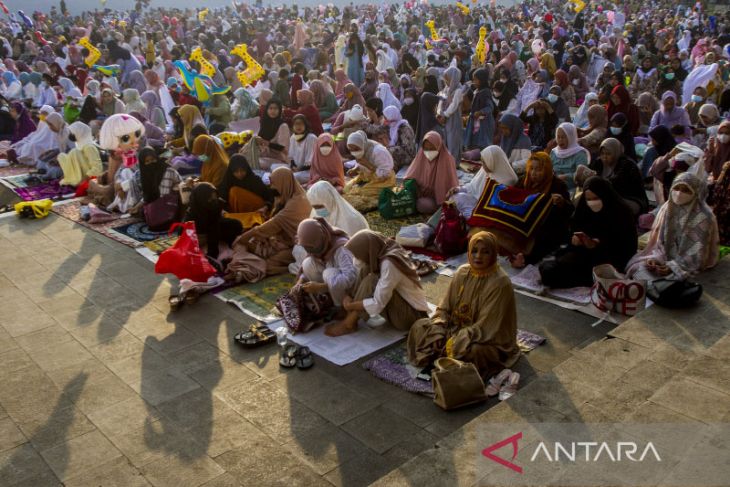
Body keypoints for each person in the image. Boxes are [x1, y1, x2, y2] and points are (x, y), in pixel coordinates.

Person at [407, 231, 520, 377]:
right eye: (474, 251)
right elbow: (444, 307)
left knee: (475, 351)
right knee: (420, 326)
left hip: (483, 338)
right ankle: (447, 358)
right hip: (455, 329)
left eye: (485, 252)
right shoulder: (462, 272)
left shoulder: (500, 282)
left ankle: (446, 358)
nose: (478, 256)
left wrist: (458, 340)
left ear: (493, 254)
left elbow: (487, 327)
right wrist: (439, 326)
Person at [325, 229, 429, 337]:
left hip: (412, 316)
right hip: (398, 308)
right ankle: (350, 317)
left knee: (372, 280)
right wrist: (348, 296)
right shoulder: (381, 248)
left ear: (367, 250)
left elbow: (377, 304)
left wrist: (352, 306)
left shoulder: (389, 264)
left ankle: (349, 323)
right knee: (366, 269)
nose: (356, 259)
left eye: (357, 255)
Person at [539, 176, 638, 288]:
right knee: (547, 269)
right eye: (589, 199)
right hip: (584, 253)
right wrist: (576, 239)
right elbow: (575, 227)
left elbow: (625, 248)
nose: (592, 203)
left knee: (561, 273)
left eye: (596, 198)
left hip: (610, 260)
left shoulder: (622, 213)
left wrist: (596, 244)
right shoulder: (584, 207)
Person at [627, 172, 719, 282]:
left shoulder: (704, 216)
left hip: (688, 264)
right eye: (677, 188)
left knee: (671, 282)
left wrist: (673, 267)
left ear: (696, 192)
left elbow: (697, 254)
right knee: (635, 269)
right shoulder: (668, 208)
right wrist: (656, 259)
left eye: (686, 190)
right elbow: (660, 243)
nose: (679, 193)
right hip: (665, 258)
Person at [225, 167, 313, 281]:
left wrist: (245, 236)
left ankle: (246, 271)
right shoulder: (284, 195)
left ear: (283, 183)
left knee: (268, 264)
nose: (272, 187)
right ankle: (243, 265)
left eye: (274, 184)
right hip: (279, 240)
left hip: (295, 246)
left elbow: (273, 224)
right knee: (245, 245)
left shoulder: (297, 203)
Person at [510, 152, 573, 268]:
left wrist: (562, 203)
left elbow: (570, 211)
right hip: (525, 222)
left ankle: (526, 258)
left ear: (547, 170)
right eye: (531, 168)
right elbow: (512, 196)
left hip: (548, 227)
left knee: (543, 236)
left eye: (538, 170)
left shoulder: (558, 185)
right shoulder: (524, 181)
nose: (533, 173)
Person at [294, 218, 359, 308]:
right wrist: (300, 282)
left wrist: (322, 287)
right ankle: (326, 299)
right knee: (307, 263)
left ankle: (340, 307)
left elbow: (351, 278)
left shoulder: (341, 249)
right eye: (306, 247)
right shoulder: (318, 245)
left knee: (329, 273)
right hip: (330, 285)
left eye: (311, 246)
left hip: (350, 290)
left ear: (321, 238)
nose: (310, 250)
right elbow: (307, 268)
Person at [578, 138, 648, 217]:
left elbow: (617, 184)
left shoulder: (627, 165)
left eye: (608, 154)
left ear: (615, 152)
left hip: (628, 198)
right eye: (602, 153)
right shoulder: (599, 162)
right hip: (604, 196)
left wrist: (596, 179)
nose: (604, 157)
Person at [451, 145, 518, 218]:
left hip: (488, 210)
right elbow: (472, 186)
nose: (482, 165)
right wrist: (458, 189)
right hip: (477, 201)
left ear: (492, 161)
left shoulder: (508, 180)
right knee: (456, 196)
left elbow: (495, 205)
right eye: (482, 161)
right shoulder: (486, 170)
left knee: (464, 209)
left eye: (484, 162)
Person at [403, 131, 459, 214]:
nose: (428, 152)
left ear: (439, 146)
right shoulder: (421, 155)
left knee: (422, 205)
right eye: (426, 149)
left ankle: (440, 209)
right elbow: (409, 176)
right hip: (422, 195)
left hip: (440, 198)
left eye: (432, 149)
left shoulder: (447, 159)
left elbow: (451, 186)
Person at [186, 182, 243, 261]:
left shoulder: (214, 205)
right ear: (201, 198)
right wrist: (212, 254)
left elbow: (214, 226)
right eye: (209, 199)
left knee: (236, 224)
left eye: (214, 199)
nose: (213, 201)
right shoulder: (192, 212)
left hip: (211, 229)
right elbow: (185, 234)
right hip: (199, 235)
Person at [342, 130, 396, 212]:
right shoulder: (364, 147)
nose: (354, 152)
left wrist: (368, 165)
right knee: (346, 189)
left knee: (363, 192)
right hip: (368, 176)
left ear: (362, 144)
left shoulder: (379, 152)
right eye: (351, 150)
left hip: (384, 179)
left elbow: (385, 173)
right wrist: (355, 169)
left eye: (356, 149)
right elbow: (360, 162)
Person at [57, 121, 102, 186]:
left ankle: (75, 180)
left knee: (74, 152)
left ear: (79, 132)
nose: (70, 134)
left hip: (86, 176)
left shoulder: (89, 147)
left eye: (72, 132)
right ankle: (70, 177)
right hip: (80, 171)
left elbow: (97, 167)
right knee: (61, 156)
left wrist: (85, 179)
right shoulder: (80, 143)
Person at [251, 99, 290, 170]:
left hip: (279, 158)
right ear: (267, 110)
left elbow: (283, 149)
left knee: (255, 162)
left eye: (275, 108)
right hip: (264, 154)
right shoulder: (265, 122)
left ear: (280, 110)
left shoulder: (283, 126)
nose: (273, 111)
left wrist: (266, 143)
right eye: (270, 108)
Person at [550, 122, 589, 191]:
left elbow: (582, 175)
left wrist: (565, 177)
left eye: (563, 137)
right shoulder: (554, 152)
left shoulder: (580, 153)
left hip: (573, 189)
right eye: (558, 137)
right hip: (554, 187)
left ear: (571, 137)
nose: (560, 140)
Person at [464, 68, 495, 151]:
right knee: (475, 141)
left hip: (484, 122)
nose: (474, 82)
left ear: (482, 80)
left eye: (476, 79)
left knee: (483, 142)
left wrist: (481, 112)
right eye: (473, 79)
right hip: (475, 120)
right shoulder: (477, 91)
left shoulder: (485, 92)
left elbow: (490, 107)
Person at [437, 66, 465, 160]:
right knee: (445, 138)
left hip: (453, 117)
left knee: (453, 138)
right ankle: (446, 161)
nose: (447, 82)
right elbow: (441, 100)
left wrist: (445, 114)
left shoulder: (458, 90)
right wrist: (440, 112)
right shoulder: (446, 89)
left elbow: (454, 105)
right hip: (444, 117)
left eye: (448, 80)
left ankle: (453, 161)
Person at [382, 105, 416, 169]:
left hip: (408, 156)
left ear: (391, 117)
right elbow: (377, 129)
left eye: (385, 118)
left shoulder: (404, 128)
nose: (384, 120)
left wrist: (388, 149)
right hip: (399, 154)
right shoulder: (393, 126)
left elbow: (406, 149)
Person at [288, 114, 317, 184]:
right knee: (277, 169)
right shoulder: (293, 138)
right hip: (297, 169)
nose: (298, 126)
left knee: (293, 177)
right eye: (296, 124)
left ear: (305, 125)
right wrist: (293, 166)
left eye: (300, 124)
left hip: (309, 171)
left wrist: (299, 169)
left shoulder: (311, 138)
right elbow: (291, 156)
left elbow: (311, 161)